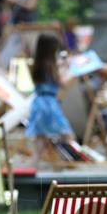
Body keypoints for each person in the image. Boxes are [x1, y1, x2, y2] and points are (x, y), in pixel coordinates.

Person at [26, 34, 75, 165]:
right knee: (66, 134)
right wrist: (66, 68)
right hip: (49, 103)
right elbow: (62, 82)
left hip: (38, 103)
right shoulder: (51, 65)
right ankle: (60, 160)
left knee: (40, 138)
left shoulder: (37, 65)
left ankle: (37, 164)